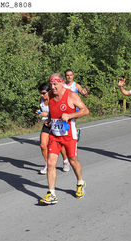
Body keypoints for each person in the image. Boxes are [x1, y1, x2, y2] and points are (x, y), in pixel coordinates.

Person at [40, 73, 89, 205]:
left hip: (69, 135)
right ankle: (51, 193)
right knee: (51, 163)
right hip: (54, 135)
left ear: (62, 83)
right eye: (51, 84)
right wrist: (50, 120)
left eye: (55, 84)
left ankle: (80, 182)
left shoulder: (71, 95)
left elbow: (85, 110)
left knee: (72, 160)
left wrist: (70, 115)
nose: (53, 87)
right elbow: (51, 109)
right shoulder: (50, 95)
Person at [36, 83, 70, 175]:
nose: (42, 95)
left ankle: (65, 161)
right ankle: (48, 165)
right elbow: (42, 110)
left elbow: (58, 112)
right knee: (43, 145)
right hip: (47, 124)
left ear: (49, 91)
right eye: (40, 93)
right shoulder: (41, 100)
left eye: (43, 93)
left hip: (56, 124)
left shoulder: (54, 99)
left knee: (61, 145)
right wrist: (39, 112)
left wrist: (46, 114)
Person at [64, 69, 88, 141]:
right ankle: (70, 133)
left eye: (70, 75)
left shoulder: (76, 85)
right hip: (65, 107)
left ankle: (74, 133)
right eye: (67, 75)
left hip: (75, 108)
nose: (69, 77)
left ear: (73, 76)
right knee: (66, 121)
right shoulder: (63, 85)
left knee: (71, 121)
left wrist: (84, 93)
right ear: (65, 76)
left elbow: (85, 95)